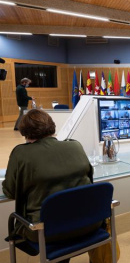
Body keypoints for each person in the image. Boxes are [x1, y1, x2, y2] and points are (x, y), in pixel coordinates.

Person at [2, 109, 94, 256]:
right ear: (51, 127)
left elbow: (10, 191)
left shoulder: (21, 153)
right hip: (88, 222)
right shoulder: (75, 146)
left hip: (45, 230)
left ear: (25, 132)